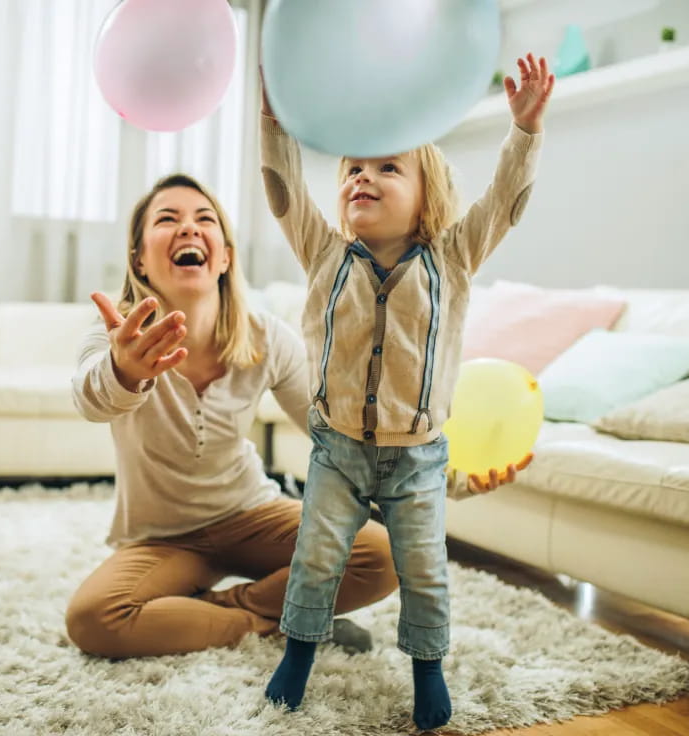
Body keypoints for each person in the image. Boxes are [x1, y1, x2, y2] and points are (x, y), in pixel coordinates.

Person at [65, 172, 531, 661]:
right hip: (160, 538)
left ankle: (221, 609)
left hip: (251, 515)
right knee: (95, 620)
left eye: (205, 220)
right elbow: (91, 401)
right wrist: (125, 370)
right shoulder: (115, 335)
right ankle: (276, 624)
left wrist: (446, 476)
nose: (188, 228)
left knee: (382, 554)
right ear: (139, 257)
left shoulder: (266, 336)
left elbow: (338, 430)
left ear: (223, 256)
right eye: (167, 219)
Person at [260, 53, 555, 731]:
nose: (363, 175)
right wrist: (273, 119)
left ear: (430, 197)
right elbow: (281, 188)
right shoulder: (323, 253)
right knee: (316, 558)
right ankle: (298, 655)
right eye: (354, 169)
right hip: (336, 449)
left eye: (388, 167)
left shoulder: (451, 259)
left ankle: (428, 669)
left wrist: (526, 131)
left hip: (419, 456)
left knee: (426, 572)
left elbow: (506, 202)